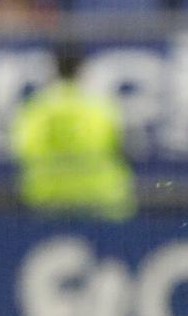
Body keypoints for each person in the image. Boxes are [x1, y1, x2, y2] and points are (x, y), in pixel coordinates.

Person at [10, 49, 134, 220]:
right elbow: (119, 148)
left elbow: (24, 148)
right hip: (99, 196)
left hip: (48, 196)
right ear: (82, 70)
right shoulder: (100, 106)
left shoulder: (36, 108)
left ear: (52, 70)